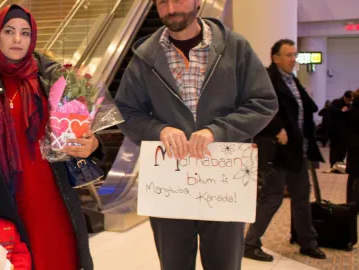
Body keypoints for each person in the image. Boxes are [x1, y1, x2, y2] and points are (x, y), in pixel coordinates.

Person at [114, 0, 278, 268]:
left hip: (223, 181)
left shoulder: (235, 47)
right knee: (174, 262)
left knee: (224, 263)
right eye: (162, 2)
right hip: (170, 182)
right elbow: (126, 112)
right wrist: (159, 130)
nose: (170, 9)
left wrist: (218, 131)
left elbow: (263, 103)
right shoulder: (144, 57)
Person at [0, 5, 100, 269]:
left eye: (25, 32)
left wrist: (92, 143)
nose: (18, 40)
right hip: (5, 199)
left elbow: (78, 130)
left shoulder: (52, 79)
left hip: (53, 195)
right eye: (9, 31)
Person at [243, 39, 326, 262]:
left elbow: (302, 109)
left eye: (294, 55)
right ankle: (250, 243)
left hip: (298, 149)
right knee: (272, 198)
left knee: (301, 196)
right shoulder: (267, 78)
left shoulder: (292, 80)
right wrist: (277, 127)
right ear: (276, 57)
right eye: (288, 55)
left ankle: (307, 241)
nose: (293, 59)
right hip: (277, 150)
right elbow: (256, 107)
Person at [328, 90, 353, 168]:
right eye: (348, 100)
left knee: (343, 147)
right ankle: (333, 163)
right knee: (335, 147)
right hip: (335, 130)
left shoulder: (350, 105)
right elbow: (331, 110)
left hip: (345, 130)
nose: (349, 102)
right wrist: (341, 111)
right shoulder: (336, 102)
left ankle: (340, 162)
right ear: (345, 97)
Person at [346, 89, 359, 203]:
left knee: (353, 176)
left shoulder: (351, 109)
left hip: (353, 145)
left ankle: (350, 202)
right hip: (356, 145)